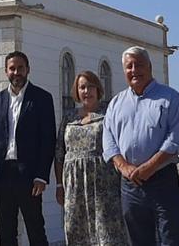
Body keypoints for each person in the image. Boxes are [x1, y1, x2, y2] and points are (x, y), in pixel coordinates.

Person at [102, 46, 179, 246]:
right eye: (129, 66)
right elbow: (108, 139)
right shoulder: (116, 103)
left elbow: (176, 138)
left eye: (139, 65)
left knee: (171, 238)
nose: (134, 70)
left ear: (149, 67)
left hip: (162, 179)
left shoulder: (170, 98)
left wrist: (150, 167)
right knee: (137, 239)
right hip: (130, 183)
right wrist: (124, 167)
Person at [0, 51, 56, 246]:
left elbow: (48, 140)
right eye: (12, 69)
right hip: (2, 174)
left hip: (29, 176)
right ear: (6, 71)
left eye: (20, 68)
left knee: (36, 231)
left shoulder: (42, 98)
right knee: (6, 234)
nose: (16, 72)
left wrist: (42, 175)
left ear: (28, 70)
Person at [54, 70, 126, 246]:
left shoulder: (109, 114)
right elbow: (59, 153)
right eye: (82, 87)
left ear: (98, 89)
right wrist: (59, 185)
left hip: (104, 185)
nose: (87, 91)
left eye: (90, 86)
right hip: (74, 186)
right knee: (76, 232)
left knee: (107, 233)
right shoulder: (69, 117)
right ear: (77, 91)